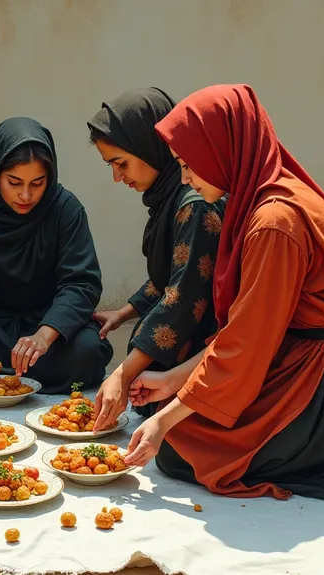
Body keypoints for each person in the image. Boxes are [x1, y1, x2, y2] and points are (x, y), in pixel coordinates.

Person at [120, 84, 324, 504]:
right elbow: (248, 331)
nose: (185, 177)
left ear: (221, 151)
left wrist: (166, 420)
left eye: (189, 164)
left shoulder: (274, 222)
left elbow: (246, 345)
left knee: (180, 448)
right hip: (310, 355)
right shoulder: (264, 196)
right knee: (176, 423)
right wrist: (174, 381)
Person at [0, 117, 113, 394]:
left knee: (88, 352)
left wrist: (44, 335)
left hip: (49, 322)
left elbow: (81, 283)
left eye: (37, 183)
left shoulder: (66, 210)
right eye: (14, 182)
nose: (25, 195)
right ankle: (20, 373)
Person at [86, 88, 225, 428]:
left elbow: (184, 298)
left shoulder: (195, 204)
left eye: (122, 163)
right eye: (111, 165)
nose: (118, 177)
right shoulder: (170, 199)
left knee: (173, 435)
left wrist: (123, 373)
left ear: (151, 146)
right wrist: (123, 313)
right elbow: (172, 273)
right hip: (187, 334)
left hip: (208, 346)